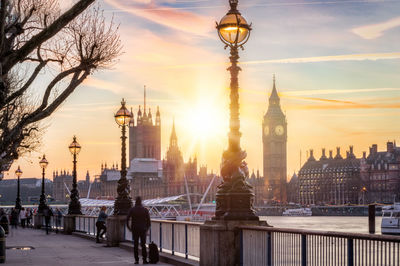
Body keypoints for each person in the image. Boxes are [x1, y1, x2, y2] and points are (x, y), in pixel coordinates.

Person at [127, 196, 151, 264]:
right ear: (141, 201)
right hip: (143, 229)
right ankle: (144, 260)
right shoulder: (145, 210)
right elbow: (149, 221)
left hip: (135, 229)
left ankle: (136, 260)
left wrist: (129, 228)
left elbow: (127, 219)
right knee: (143, 245)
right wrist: (147, 229)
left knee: (135, 244)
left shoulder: (132, 209)